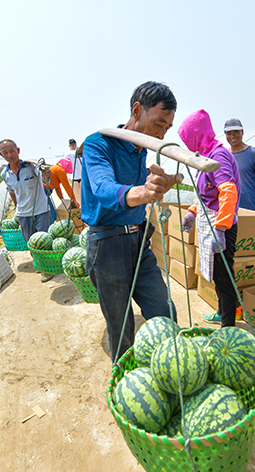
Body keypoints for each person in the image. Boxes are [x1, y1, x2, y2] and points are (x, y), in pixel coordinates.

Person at [81, 81, 183, 363]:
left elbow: (148, 189)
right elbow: (103, 188)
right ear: (137, 110)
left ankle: (169, 369)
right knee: (121, 326)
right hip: (108, 244)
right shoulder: (98, 144)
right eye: (159, 123)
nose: (162, 133)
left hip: (140, 242)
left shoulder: (142, 151)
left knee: (163, 309)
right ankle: (124, 381)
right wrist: (143, 192)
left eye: (167, 128)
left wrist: (163, 184)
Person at [179, 110, 241, 327]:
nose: (188, 145)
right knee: (217, 275)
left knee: (224, 278)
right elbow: (207, 194)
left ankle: (228, 327)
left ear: (197, 135)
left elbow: (228, 191)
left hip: (221, 226)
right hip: (212, 222)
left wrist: (220, 229)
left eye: (188, 139)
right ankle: (222, 311)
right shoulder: (206, 155)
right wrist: (193, 212)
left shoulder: (218, 156)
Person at [0, 139, 53, 241]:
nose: (10, 155)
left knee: (45, 244)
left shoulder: (31, 167)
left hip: (42, 211)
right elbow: (11, 191)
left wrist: (47, 175)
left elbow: (44, 179)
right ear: (1, 155)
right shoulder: (4, 174)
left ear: (18, 150)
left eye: (12, 151)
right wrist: (16, 207)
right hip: (23, 215)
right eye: (5, 153)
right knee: (31, 245)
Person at [224, 118, 255, 213]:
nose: (232, 136)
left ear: (242, 132)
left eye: (236, 132)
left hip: (249, 207)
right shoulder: (225, 156)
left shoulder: (253, 154)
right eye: (229, 133)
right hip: (228, 208)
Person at [66, 138, 82, 204]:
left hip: (73, 178)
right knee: (83, 196)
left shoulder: (67, 155)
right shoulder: (79, 153)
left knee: (77, 198)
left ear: (69, 145)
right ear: (76, 145)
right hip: (82, 178)